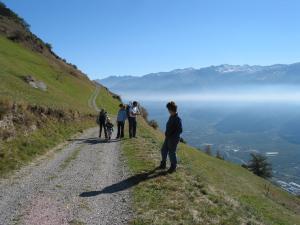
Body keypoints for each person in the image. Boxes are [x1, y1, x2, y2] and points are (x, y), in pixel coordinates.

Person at [158, 101, 182, 173]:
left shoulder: (177, 119)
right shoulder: (171, 117)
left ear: (172, 110)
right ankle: (163, 163)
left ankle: (173, 167)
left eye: (168, 109)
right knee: (163, 150)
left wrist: (171, 135)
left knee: (171, 152)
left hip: (173, 139)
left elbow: (180, 130)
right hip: (168, 137)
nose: (168, 111)